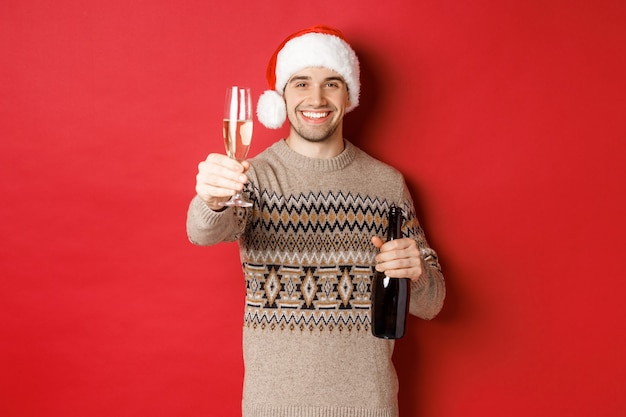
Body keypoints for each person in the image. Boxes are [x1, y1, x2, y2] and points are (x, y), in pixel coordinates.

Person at [187, 25, 445, 417]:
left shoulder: (387, 184)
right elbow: (202, 231)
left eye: (332, 83)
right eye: (301, 83)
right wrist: (211, 198)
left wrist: (419, 274)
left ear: (349, 95)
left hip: (369, 406)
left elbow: (433, 303)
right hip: (273, 407)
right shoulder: (252, 177)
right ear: (282, 97)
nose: (316, 98)